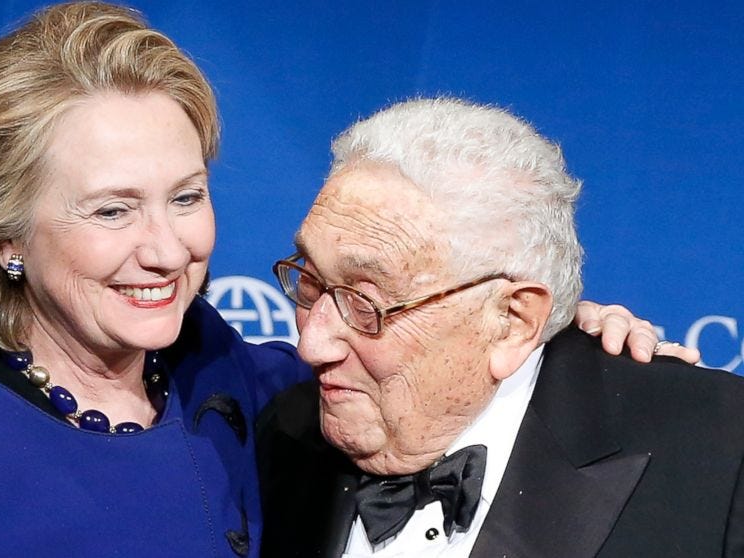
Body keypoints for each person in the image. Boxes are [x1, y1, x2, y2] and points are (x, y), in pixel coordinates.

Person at [0, 4, 691, 557]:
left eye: (186, 196)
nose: (167, 249)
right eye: (111, 210)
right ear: (2, 234)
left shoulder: (209, 365)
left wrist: (533, 327)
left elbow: (395, 368)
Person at [256, 97, 744, 557]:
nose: (311, 344)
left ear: (512, 321)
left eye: (366, 302)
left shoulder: (720, 453)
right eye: (311, 282)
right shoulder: (278, 437)